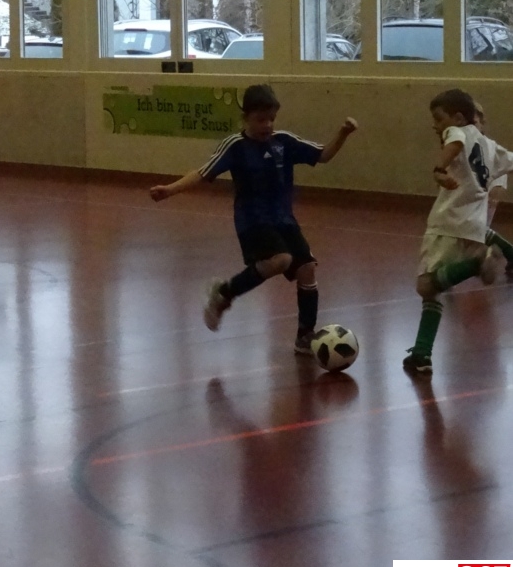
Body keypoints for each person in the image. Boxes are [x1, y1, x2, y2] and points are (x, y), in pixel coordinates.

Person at [149, 84, 357, 352]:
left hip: (284, 219)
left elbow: (323, 155)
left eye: (271, 119)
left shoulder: (284, 142)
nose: (267, 125)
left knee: (307, 268)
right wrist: (170, 189)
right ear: (245, 118)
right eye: (260, 119)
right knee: (282, 259)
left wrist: (343, 133)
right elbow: (202, 173)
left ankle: (305, 335)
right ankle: (225, 292)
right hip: (253, 221)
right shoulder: (235, 146)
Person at [403, 89, 513, 374]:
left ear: (459, 118)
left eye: (438, 119)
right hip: (474, 227)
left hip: (447, 222)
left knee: (426, 286)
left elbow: (454, 141)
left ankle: (477, 262)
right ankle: (422, 355)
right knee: (433, 290)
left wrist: (439, 168)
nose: (435, 125)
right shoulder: (490, 146)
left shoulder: (457, 132)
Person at [474, 100, 513, 276]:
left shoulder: (489, 149)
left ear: (482, 123)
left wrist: (492, 199)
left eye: (473, 122)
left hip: (481, 203)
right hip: (465, 206)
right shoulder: (459, 146)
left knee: (473, 232)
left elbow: (501, 175)